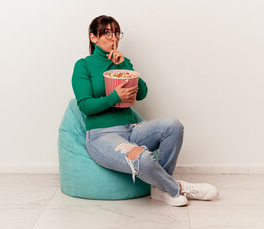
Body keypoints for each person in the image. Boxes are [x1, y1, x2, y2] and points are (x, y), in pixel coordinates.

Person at [71, 15, 218, 206]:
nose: (113, 38)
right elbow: (85, 106)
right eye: (106, 33)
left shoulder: (123, 62)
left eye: (116, 32)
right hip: (102, 136)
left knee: (173, 126)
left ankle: (161, 189)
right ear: (93, 38)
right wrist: (115, 97)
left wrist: (122, 65)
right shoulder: (83, 65)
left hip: (131, 130)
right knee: (144, 158)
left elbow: (142, 93)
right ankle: (176, 188)